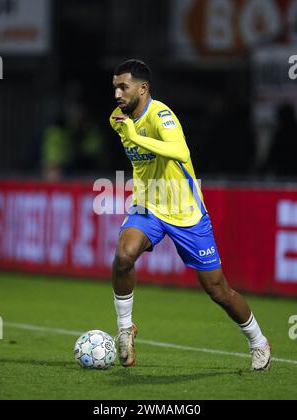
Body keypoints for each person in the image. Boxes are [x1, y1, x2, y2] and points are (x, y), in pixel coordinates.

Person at [109, 59, 271, 370]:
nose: (116, 93)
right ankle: (125, 328)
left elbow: (181, 153)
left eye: (123, 87)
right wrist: (131, 132)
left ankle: (258, 340)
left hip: (186, 212)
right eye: (114, 87)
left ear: (143, 88)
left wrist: (136, 135)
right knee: (123, 255)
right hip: (149, 206)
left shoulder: (162, 115)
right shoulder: (118, 118)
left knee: (218, 289)